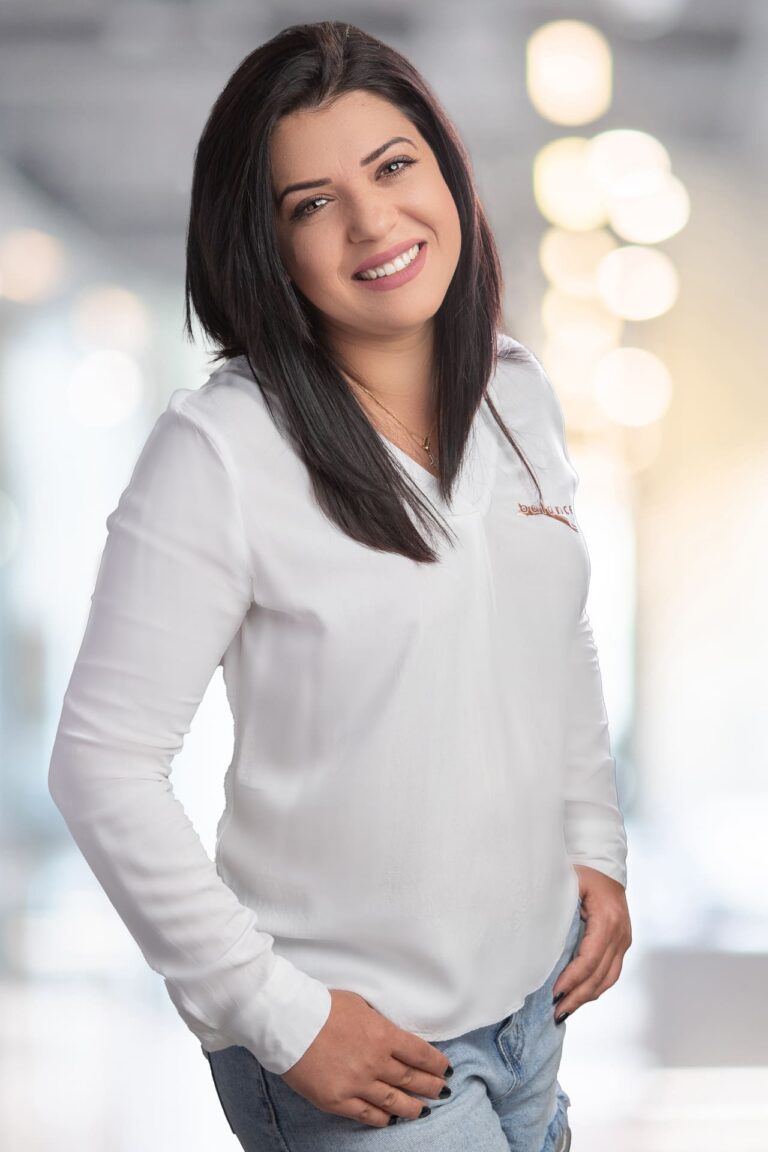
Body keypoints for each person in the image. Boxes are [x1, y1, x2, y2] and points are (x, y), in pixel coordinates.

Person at [47, 19, 631, 1152]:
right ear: (264, 246)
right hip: (358, 1051)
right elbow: (102, 765)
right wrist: (280, 1017)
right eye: (311, 202)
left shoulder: (518, 393)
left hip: (528, 1012)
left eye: (394, 165)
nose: (374, 221)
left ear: (445, 169)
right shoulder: (221, 448)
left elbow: (553, 634)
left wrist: (594, 848)